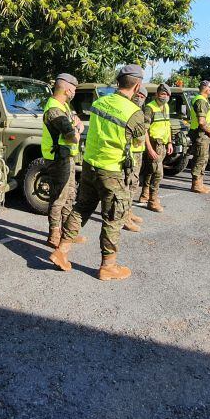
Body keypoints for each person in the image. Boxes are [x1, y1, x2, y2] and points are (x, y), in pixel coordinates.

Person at [49, 65, 147, 281]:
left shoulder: (99, 102)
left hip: (89, 165)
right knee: (113, 216)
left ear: (118, 82)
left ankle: (62, 251)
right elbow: (139, 140)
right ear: (137, 86)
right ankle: (108, 266)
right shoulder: (134, 113)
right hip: (111, 170)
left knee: (81, 208)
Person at [41, 73, 86, 247]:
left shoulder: (64, 106)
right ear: (68, 89)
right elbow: (72, 137)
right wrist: (77, 130)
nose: (74, 92)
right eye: (74, 88)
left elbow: (77, 123)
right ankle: (54, 234)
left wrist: (77, 126)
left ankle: (67, 233)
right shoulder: (54, 110)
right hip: (57, 158)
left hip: (67, 157)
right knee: (59, 197)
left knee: (70, 195)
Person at [138, 84, 174, 212]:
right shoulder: (150, 108)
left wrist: (170, 142)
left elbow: (167, 125)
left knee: (150, 170)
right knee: (158, 173)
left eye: (167, 95)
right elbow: (144, 130)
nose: (165, 97)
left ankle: (144, 195)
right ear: (157, 95)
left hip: (163, 144)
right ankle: (152, 200)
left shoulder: (166, 107)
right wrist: (150, 149)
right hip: (154, 143)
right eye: (162, 94)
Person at [122, 86, 149, 232]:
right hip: (129, 153)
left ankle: (129, 211)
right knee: (127, 184)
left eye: (143, 96)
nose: (139, 98)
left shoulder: (140, 111)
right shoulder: (128, 110)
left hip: (138, 152)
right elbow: (138, 135)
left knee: (134, 184)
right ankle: (124, 217)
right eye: (138, 94)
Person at [188, 81, 210, 193]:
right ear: (206, 89)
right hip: (201, 134)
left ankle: (200, 183)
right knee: (200, 159)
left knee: (203, 158)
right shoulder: (200, 100)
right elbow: (201, 121)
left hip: (204, 134)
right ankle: (196, 185)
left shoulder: (203, 100)